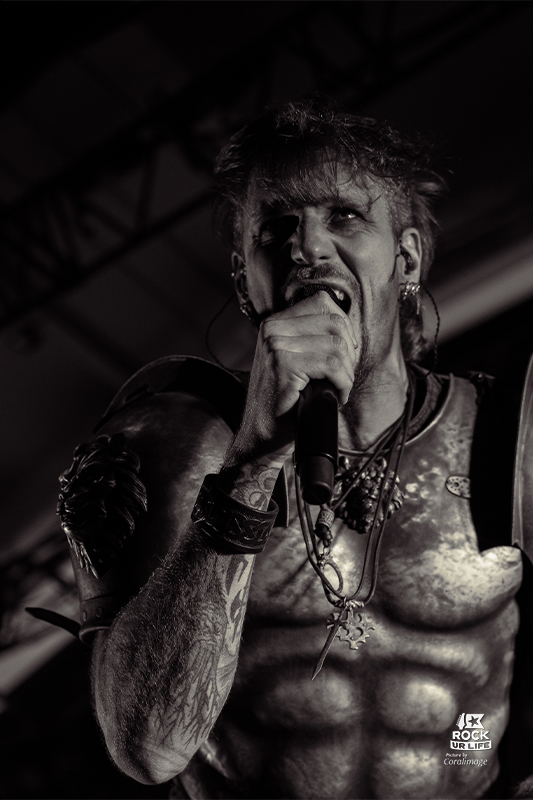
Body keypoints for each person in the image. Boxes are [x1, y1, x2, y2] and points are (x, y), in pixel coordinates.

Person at [57, 98, 533, 799]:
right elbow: (149, 748)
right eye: (275, 227)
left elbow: (482, 689)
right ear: (244, 282)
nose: (306, 248)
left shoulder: (503, 434)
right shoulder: (172, 443)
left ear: (405, 258)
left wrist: (475, 758)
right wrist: (252, 459)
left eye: (344, 216)